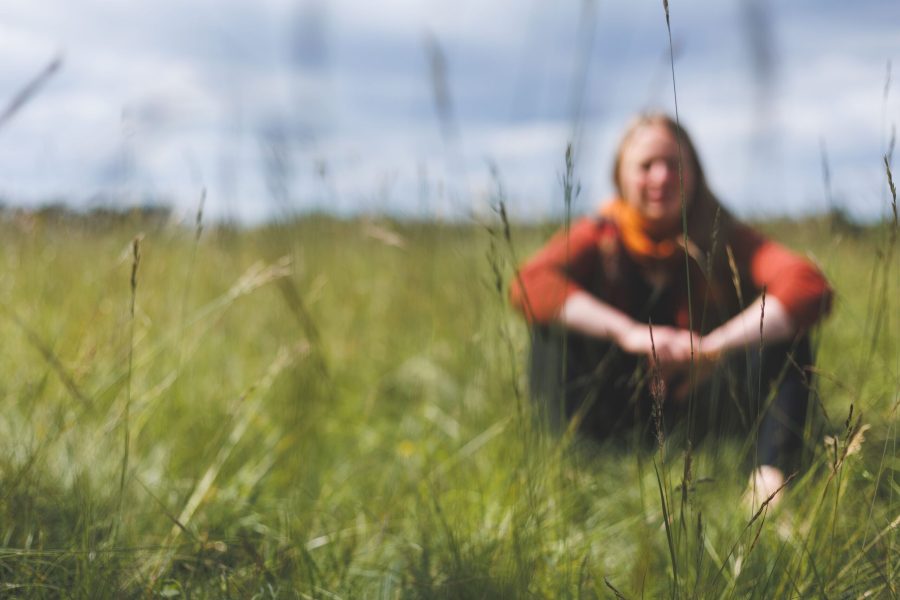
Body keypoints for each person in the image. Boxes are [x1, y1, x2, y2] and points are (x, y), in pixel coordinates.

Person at [509, 113, 832, 506]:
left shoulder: (722, 233)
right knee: (552, 328)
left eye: (674, 165)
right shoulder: (600, 232)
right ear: (620, 177)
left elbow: (807, 284)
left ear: (695, 174)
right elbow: (532, 283)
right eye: (646, 166)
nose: (661, 178)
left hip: (704, 403)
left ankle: (769, 482)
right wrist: (628, 334)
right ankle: (571, 471)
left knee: (786, 332)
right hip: (618, 404)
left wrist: (712, 347)